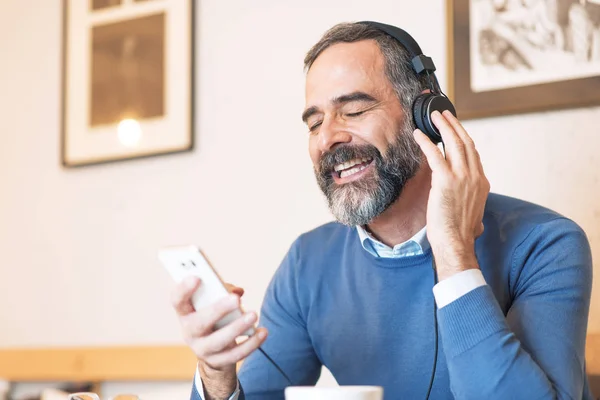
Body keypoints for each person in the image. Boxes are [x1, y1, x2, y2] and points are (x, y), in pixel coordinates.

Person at [171, 20, 594, 400]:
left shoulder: (547, 244)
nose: (327, 139)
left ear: (428, 118)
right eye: (314, 123)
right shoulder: (307, 263)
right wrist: (216, 375)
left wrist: (453, 253)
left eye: (354, 111)